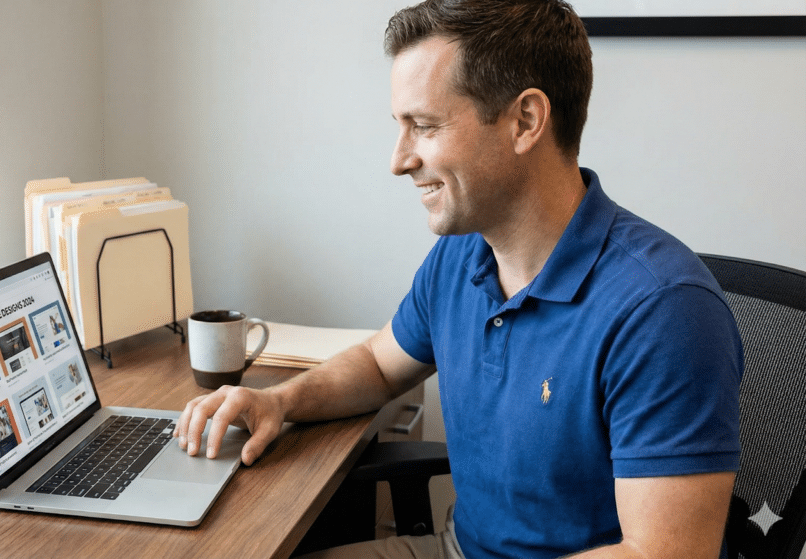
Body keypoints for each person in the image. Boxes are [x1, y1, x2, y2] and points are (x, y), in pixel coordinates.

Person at [174, 1, 743, 557]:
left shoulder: (663, 310)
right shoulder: (464, 255)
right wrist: (279, 402)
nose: (398, 161)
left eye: (423, 126)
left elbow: (662, 553)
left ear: (525, 121)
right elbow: (377, 364)